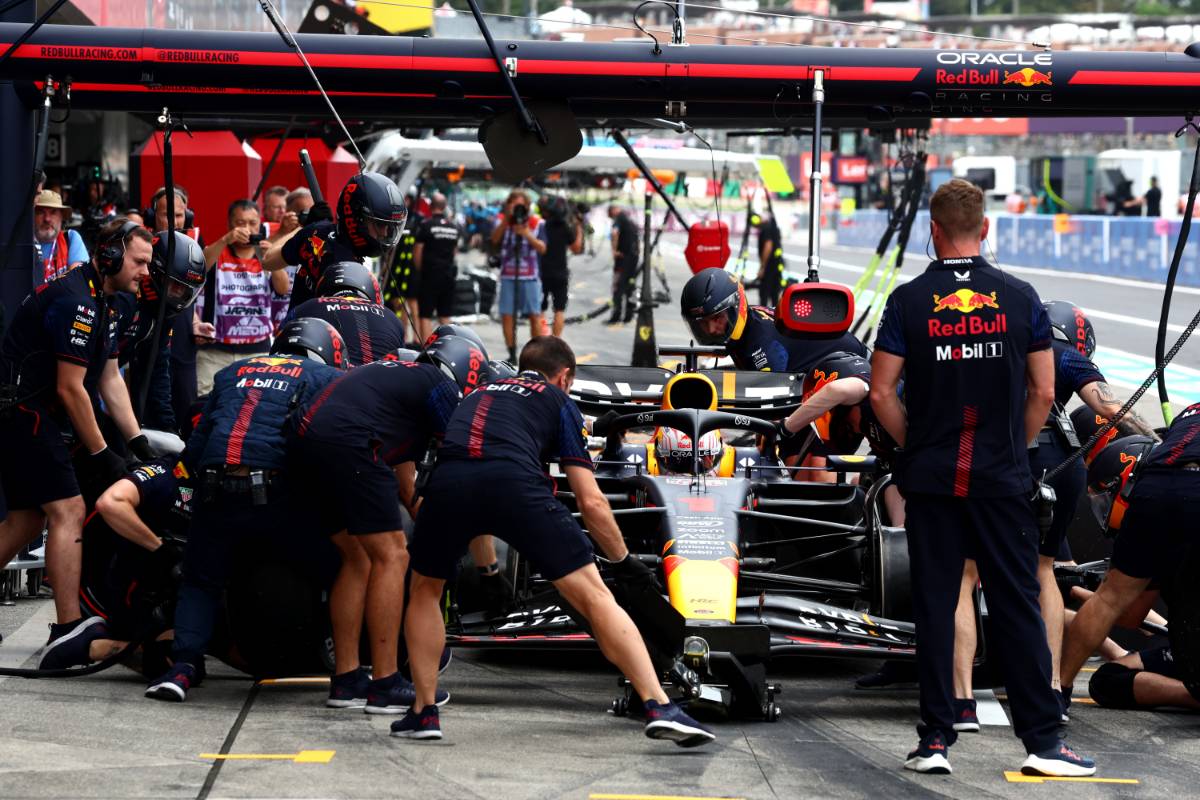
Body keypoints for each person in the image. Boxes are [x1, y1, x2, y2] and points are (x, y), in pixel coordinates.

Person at [869, 178, 1094, 777]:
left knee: (939, 603)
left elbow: (880, 390)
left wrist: (914, 444)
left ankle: (935, 740)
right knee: (1018, 601)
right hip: (1000, 476)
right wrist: (1013, 450)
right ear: (986, 229)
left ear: (934, 232)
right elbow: (1045, 390)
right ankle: (1043, 743)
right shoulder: (1021, 298)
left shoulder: (908, 300)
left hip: (933, 475)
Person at [397, 336, 715, 746]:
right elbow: (591, 501)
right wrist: (622, 561)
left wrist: (489, 570)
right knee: (595, 596)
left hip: (449, 484)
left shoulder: (473, 395)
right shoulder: (558, 400)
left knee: (425, 591)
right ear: (564, 377)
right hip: (516, 487)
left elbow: (471, 474)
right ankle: (659, 704)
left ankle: (424, 713)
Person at [949, 300, 1159, 729]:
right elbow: (1107, 407)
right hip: (1060, 461)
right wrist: (1158, 443)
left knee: (965, 573)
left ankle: (961, 701)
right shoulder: (1066, 356)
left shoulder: (985, 344)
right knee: (1045, 571)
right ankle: (1050, 690)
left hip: (999, 456)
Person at [145, 318, 346, 701]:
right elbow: (325, 445)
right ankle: (342, 651)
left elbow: (197, 445)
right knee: (344, 567)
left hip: (217, 488)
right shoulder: (324, 376)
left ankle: (182, 667)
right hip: (274, 492)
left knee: (199, 581)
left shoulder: (232, 371)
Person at [289, 335, 476, 712]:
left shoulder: (392, 385)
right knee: (393, 556)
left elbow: (407, 485)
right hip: (350, 439)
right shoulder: (437, 385)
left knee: (357, 557)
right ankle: (386, 682)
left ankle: (346, 679)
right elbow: (461, 457)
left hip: (303, 439)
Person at [0, 218, 154, 669]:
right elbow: (72, 389)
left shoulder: (105, 300)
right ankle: (68, 630)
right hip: (23, 412)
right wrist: (103, 454)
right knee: (67, 510)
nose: (146, 272)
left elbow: (108, 377)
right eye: (139, 261)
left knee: (27, 522)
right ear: (110, 255)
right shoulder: (78, 302)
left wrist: (137, 441)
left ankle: (69, 626)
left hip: (29, 411)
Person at [1060, 406, 1200, 712]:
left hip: (1157, 485)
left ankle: (1057, 693)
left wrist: (1070, 599)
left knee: (1110, 600)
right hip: (1187, 652)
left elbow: (1125, 613)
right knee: (1107, 681)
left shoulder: (1187, 418)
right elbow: (1135, 619)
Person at [680, 268, 866, 374]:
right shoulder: (749, 324)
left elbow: (775, 412)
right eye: (702, 323)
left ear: (738, 307)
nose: (712, 329)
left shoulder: (764, 347)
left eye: (717, 318)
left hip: (855, 368)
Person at [263, 172, 402, 312]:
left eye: (389, 227)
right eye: (379, 225)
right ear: (357, 218)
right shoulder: (348, 266)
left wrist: (305, 228)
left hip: (296, 329)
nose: (384, 233)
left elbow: (268, 260)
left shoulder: (315, 233)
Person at [114, 231, 207, 432]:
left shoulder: (164, 313)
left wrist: (168, 429)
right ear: (156, 272)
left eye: (185, 291)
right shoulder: (123, 300)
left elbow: (157, 370)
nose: (179, 296)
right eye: (175, 287)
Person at [195, 200, 290, 395]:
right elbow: (201, 266)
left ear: (259, 224)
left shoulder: (266, 254)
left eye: (252, 223)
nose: (247, 228)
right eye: (240, 223)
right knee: (203, 406)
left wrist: (272, 257)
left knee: (252, 407)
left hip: (258, 352)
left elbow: (282, 289)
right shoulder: (218, 250)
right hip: (214, 351)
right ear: (229, 225)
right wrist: (224, 240)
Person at [148, 186, 208, 424]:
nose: (174, 221)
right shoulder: (144, 244)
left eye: (180, 215)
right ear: (153, 216)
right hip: (150, 328)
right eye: (167, 215)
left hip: (182, 334)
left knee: (185, 399)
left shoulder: (194, 243)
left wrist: (196, 322)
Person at [290, 262, 404, 368]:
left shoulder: (308, 306)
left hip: (335, 382)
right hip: (383, 384)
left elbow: (281, 345)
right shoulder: (392, 317)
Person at [491, 191, 547, 363]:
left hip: (529, 275)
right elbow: (494, 240)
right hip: (508, 274)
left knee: (534, 315)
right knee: (507, 315)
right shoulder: (503, 221)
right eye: (513, 204)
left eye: (520, 205)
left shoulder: (536, 222)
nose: (517, 208)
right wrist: (506, 220)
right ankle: (512, 352)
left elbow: (542, 248)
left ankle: (536, 354)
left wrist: (526, 233)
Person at [414, 193, 462, 342]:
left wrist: (420, 271)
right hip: (448, 276)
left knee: (425, 315)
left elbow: (417, 252)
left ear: (430, 206)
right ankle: (448, 348)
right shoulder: (453, 227)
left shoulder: (425, 225)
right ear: (444, 207)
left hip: (430, 275)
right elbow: (454, 252)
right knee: (445, 316)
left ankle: (428, 352)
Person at [539, 195, 584, 337]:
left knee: (539, 310)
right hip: (560, 273)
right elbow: (576, 248)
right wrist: (578, 226)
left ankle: (541, 340)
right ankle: (555, 341)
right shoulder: (565, 227)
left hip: (542, 272)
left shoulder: (543, 226)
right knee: (559, 310)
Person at [33, 188, 89, 286]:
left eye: (53, 212)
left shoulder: (70, 239)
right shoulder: (23, 243)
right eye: (40, 212)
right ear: (31, 216)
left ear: (62, 216)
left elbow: (78, 280)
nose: (47, 219)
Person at [607, 204, 639, 325]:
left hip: (623, 258)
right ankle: (629, 315)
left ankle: (616, 315)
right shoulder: (629, 220)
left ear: (613, 211)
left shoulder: (619, 218)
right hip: (633, 258)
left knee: (618, 287)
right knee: (630, 286)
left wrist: (614, 250)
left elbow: (614, 233)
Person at [756, 211, 786, 309]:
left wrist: (762, 267)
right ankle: (775, 316)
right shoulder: (775, 228)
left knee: (764, 293)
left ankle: (763, 315)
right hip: (777, 265)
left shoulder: (766, 229)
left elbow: (768, 246)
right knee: (775, 294)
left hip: (769, 266)